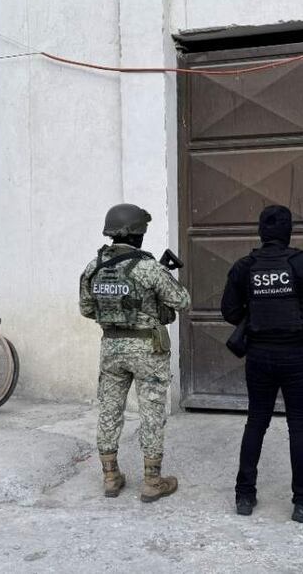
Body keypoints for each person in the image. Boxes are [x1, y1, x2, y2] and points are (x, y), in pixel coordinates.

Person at [220, 205, 303, 522]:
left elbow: (229, 311)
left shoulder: (244, 266)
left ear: (261, 231)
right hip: (297, 356)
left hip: (259, 356)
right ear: (289, 232)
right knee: (298, 425)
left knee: (256, 421)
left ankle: (244, 495)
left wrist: (255, 313)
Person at [80, 203, 191, 502]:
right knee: (151, 412)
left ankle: (110, 477)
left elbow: (87, 309)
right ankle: (153, 481)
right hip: (147, 350)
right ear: (137, 234)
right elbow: (182, 301)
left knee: (109, 410)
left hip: (111, 348)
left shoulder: (93, 267)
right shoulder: (149, 267)